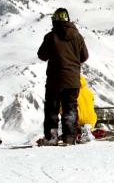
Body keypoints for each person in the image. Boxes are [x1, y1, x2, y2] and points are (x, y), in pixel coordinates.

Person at [37, 8, 89, 146]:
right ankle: (70, 137)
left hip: (55, 80)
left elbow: (42, 56)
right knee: (70, 108)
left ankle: (51, 137)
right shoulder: (78, 36)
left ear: (54, 20)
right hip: (72, 80)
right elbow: (84, 57)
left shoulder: (50, 37)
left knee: (52, 108)